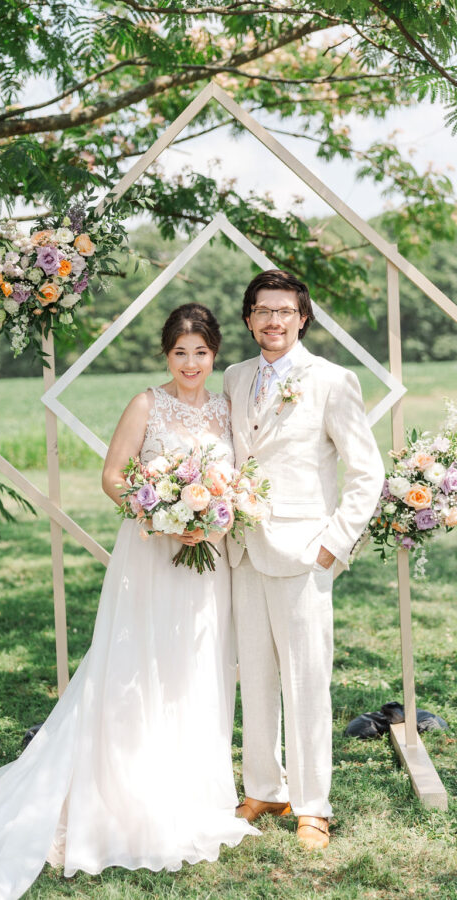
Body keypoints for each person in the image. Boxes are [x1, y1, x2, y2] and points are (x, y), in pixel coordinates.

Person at [0, 303, 255, 899]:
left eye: (200, 352)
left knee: (197, 667)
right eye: (180, 352)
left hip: (208, 563)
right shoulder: (147, 404)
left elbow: (238, 482)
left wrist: (213, 516)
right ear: (165, 355)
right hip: (151, 556)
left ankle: (192, 793)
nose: (191, 363)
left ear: (215, 353)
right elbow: (114, 476)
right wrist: (163, 513)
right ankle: (125, 794)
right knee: (136, 667)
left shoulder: (227, 411)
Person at [224, 270, 385, 849]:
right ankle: (265, 786)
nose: (273, 321)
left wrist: (332, 545)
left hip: (304, 553)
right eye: (262, 311)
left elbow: (368, 473)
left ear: (302, 318)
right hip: (242, 550)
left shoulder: (333, 381)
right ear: (248, 319)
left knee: (307, 681)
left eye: (284, 311)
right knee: (256, 677)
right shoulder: (234, 377)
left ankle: (313, 804)